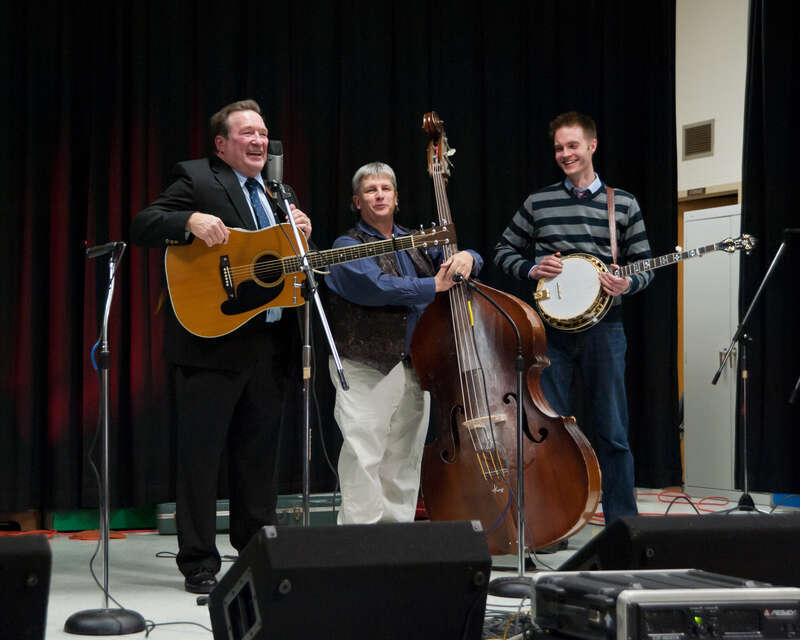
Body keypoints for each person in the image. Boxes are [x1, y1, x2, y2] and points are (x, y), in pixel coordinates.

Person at [130, 99, 311, 593]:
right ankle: (199, 563)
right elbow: (144, 222)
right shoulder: (198, 178)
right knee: (201, 459)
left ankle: (255, 553)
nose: (258, 141)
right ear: (222, 144)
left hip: (270, 342)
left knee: (258, 459)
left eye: (263, 133)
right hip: (210, 344)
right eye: (247, 133)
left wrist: (300, 237)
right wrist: (186, 222)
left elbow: (280, 268)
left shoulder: (278, 192)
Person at [493, 111, 653, 526]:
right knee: (552, 433)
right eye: (559, 148)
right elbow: (503, 252)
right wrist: (532, 268)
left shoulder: (625, 204)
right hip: (551, 335)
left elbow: (645, 266)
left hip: (606, 330)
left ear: (592, 146)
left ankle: (623, 526)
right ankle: (555, 523)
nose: (565, 154)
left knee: (612, 431)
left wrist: (627, 285)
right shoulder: (538, 202)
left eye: (573, 146)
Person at [325, 162, 483, 524]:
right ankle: (360, 544)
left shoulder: (418, 243)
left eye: (385, 189)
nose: (378, 195)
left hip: (416, 366)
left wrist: (467, 258)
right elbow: (376, 287)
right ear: (356, 201)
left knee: (404, 458)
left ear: (396, 198)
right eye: (370, 190)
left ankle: (395, 541)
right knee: (364, 457)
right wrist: (433, 286)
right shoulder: (347, 246)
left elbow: (465, 263)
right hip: (368, 366)